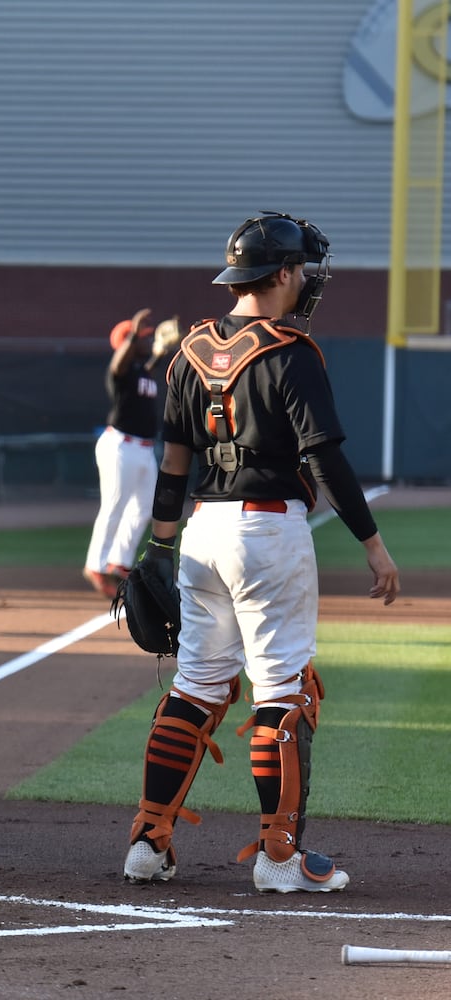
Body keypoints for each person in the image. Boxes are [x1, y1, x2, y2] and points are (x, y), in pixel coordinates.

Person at [121, 212, 400, 895]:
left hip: (201, 533)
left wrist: (160, 544)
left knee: (194, 687)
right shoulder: (288, 352)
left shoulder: (185, 352)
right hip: (266, 533)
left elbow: (175, 461)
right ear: (279, 274)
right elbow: (323, 459)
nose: (307, 280)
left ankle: (147, 842)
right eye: (302, 269)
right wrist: (372, 544)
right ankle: (278, 859)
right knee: (284, 696)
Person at [81, 308, 172, 599]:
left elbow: (147, 368)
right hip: (121, 445)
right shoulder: (120, 371)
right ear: (128, 343)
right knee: (114, 505)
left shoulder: (141, 372)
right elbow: (119, 364)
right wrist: (133, 333)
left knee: (143, 508)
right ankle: (95, 565)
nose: (148, 341)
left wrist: (159, 351)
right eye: (144, 338)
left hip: (144, 449)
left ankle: (119, 562)